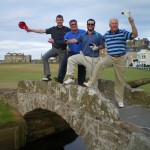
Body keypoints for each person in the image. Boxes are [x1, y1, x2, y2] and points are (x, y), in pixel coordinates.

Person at [83, 17, 138, 108]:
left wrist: (132, 24)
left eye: (116, 23)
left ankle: (120, 100)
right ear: (109, 25)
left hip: (121, 58)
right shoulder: (106, 34)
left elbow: (135, 35)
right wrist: (96, 47)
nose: (114, 25)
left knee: (119, 80)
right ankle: (90, 82)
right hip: (110, 57)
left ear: (118, 25)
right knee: (99, 64)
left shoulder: (123, 32)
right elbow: (101, 43)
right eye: (113, 23)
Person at [27, 15, 71, 81]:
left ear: (63, 20)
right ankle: (48, 75)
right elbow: (42, 31)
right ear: (56, 21)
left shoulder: (67, 29)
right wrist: (31, 30)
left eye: (60, 20)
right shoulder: (53, 29)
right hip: (54, 49)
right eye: (58, 20)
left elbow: (73, 35)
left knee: (62, 65)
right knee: (44, 57)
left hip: (63, 50)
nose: (59, 21)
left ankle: (59, 79)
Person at [63, 19, 104, 85]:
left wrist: (96, 48)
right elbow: (75, 40)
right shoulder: (83, 35)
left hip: (92, 59)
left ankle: (95, 92)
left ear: (94, 25)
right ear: (87, 25)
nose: (90, 25)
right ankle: (71, 78)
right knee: (70, 59)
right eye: (89, 24)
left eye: (92, 24)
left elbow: (103, 45)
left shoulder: (98, 35)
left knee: (93, 80)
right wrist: (67, 41)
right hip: (83, 56)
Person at [53, 19, 86, 85]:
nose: (74, 25)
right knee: (64, 61)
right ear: (70, 26)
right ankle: (60, 79)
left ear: (77, 24)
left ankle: (81, 82)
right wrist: (54, 41)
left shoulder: (83, 32)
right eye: (72, 25)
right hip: (72, 52)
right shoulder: (68, 34)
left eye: (75, 24)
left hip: (81, 52)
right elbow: (62, 42)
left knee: (81, 66)